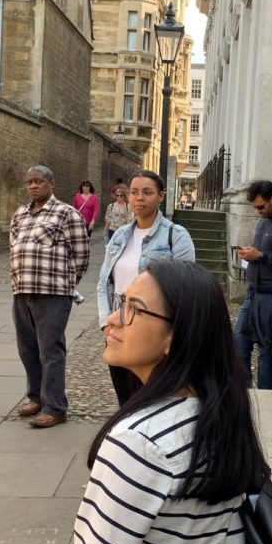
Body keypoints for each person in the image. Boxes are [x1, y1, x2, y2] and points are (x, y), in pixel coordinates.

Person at [67, 259, 268, 544]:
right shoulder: (218, 410)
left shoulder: (138, 442)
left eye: (132, 309)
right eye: (120, 303)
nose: (111, 319)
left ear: (175, 338)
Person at [96, 170, 195, 405]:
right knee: (125, 397)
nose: (139, 198)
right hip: (118, 326)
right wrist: (104, 325)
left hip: (152, 329)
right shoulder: (120, 235)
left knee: (153, 397)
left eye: (147, 192)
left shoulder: (176, 236)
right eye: (134, 192)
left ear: (161, 196)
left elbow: (187, 288)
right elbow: (104, 284)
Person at [11, 165, 90, 428]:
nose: (33, 186)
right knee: (28, 349)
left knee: (50, 351)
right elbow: (14, 247)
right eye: (29, 182)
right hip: (23, 291)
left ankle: (55, 407)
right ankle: (36, 397)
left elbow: (81, 254)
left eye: (39, 181)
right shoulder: (20, 215)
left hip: (53, 293)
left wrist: (67, 284)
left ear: (51, 184)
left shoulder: (67, 214)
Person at [233, 179, 272, 390]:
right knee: (239, 341)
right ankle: (245, 392)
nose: (258, 211)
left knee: (267, 351)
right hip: (252, 294)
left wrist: (260, 256)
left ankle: (266, 396)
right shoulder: (262, 222)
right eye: (254, 208)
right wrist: (249, 253)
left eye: (261, 206)